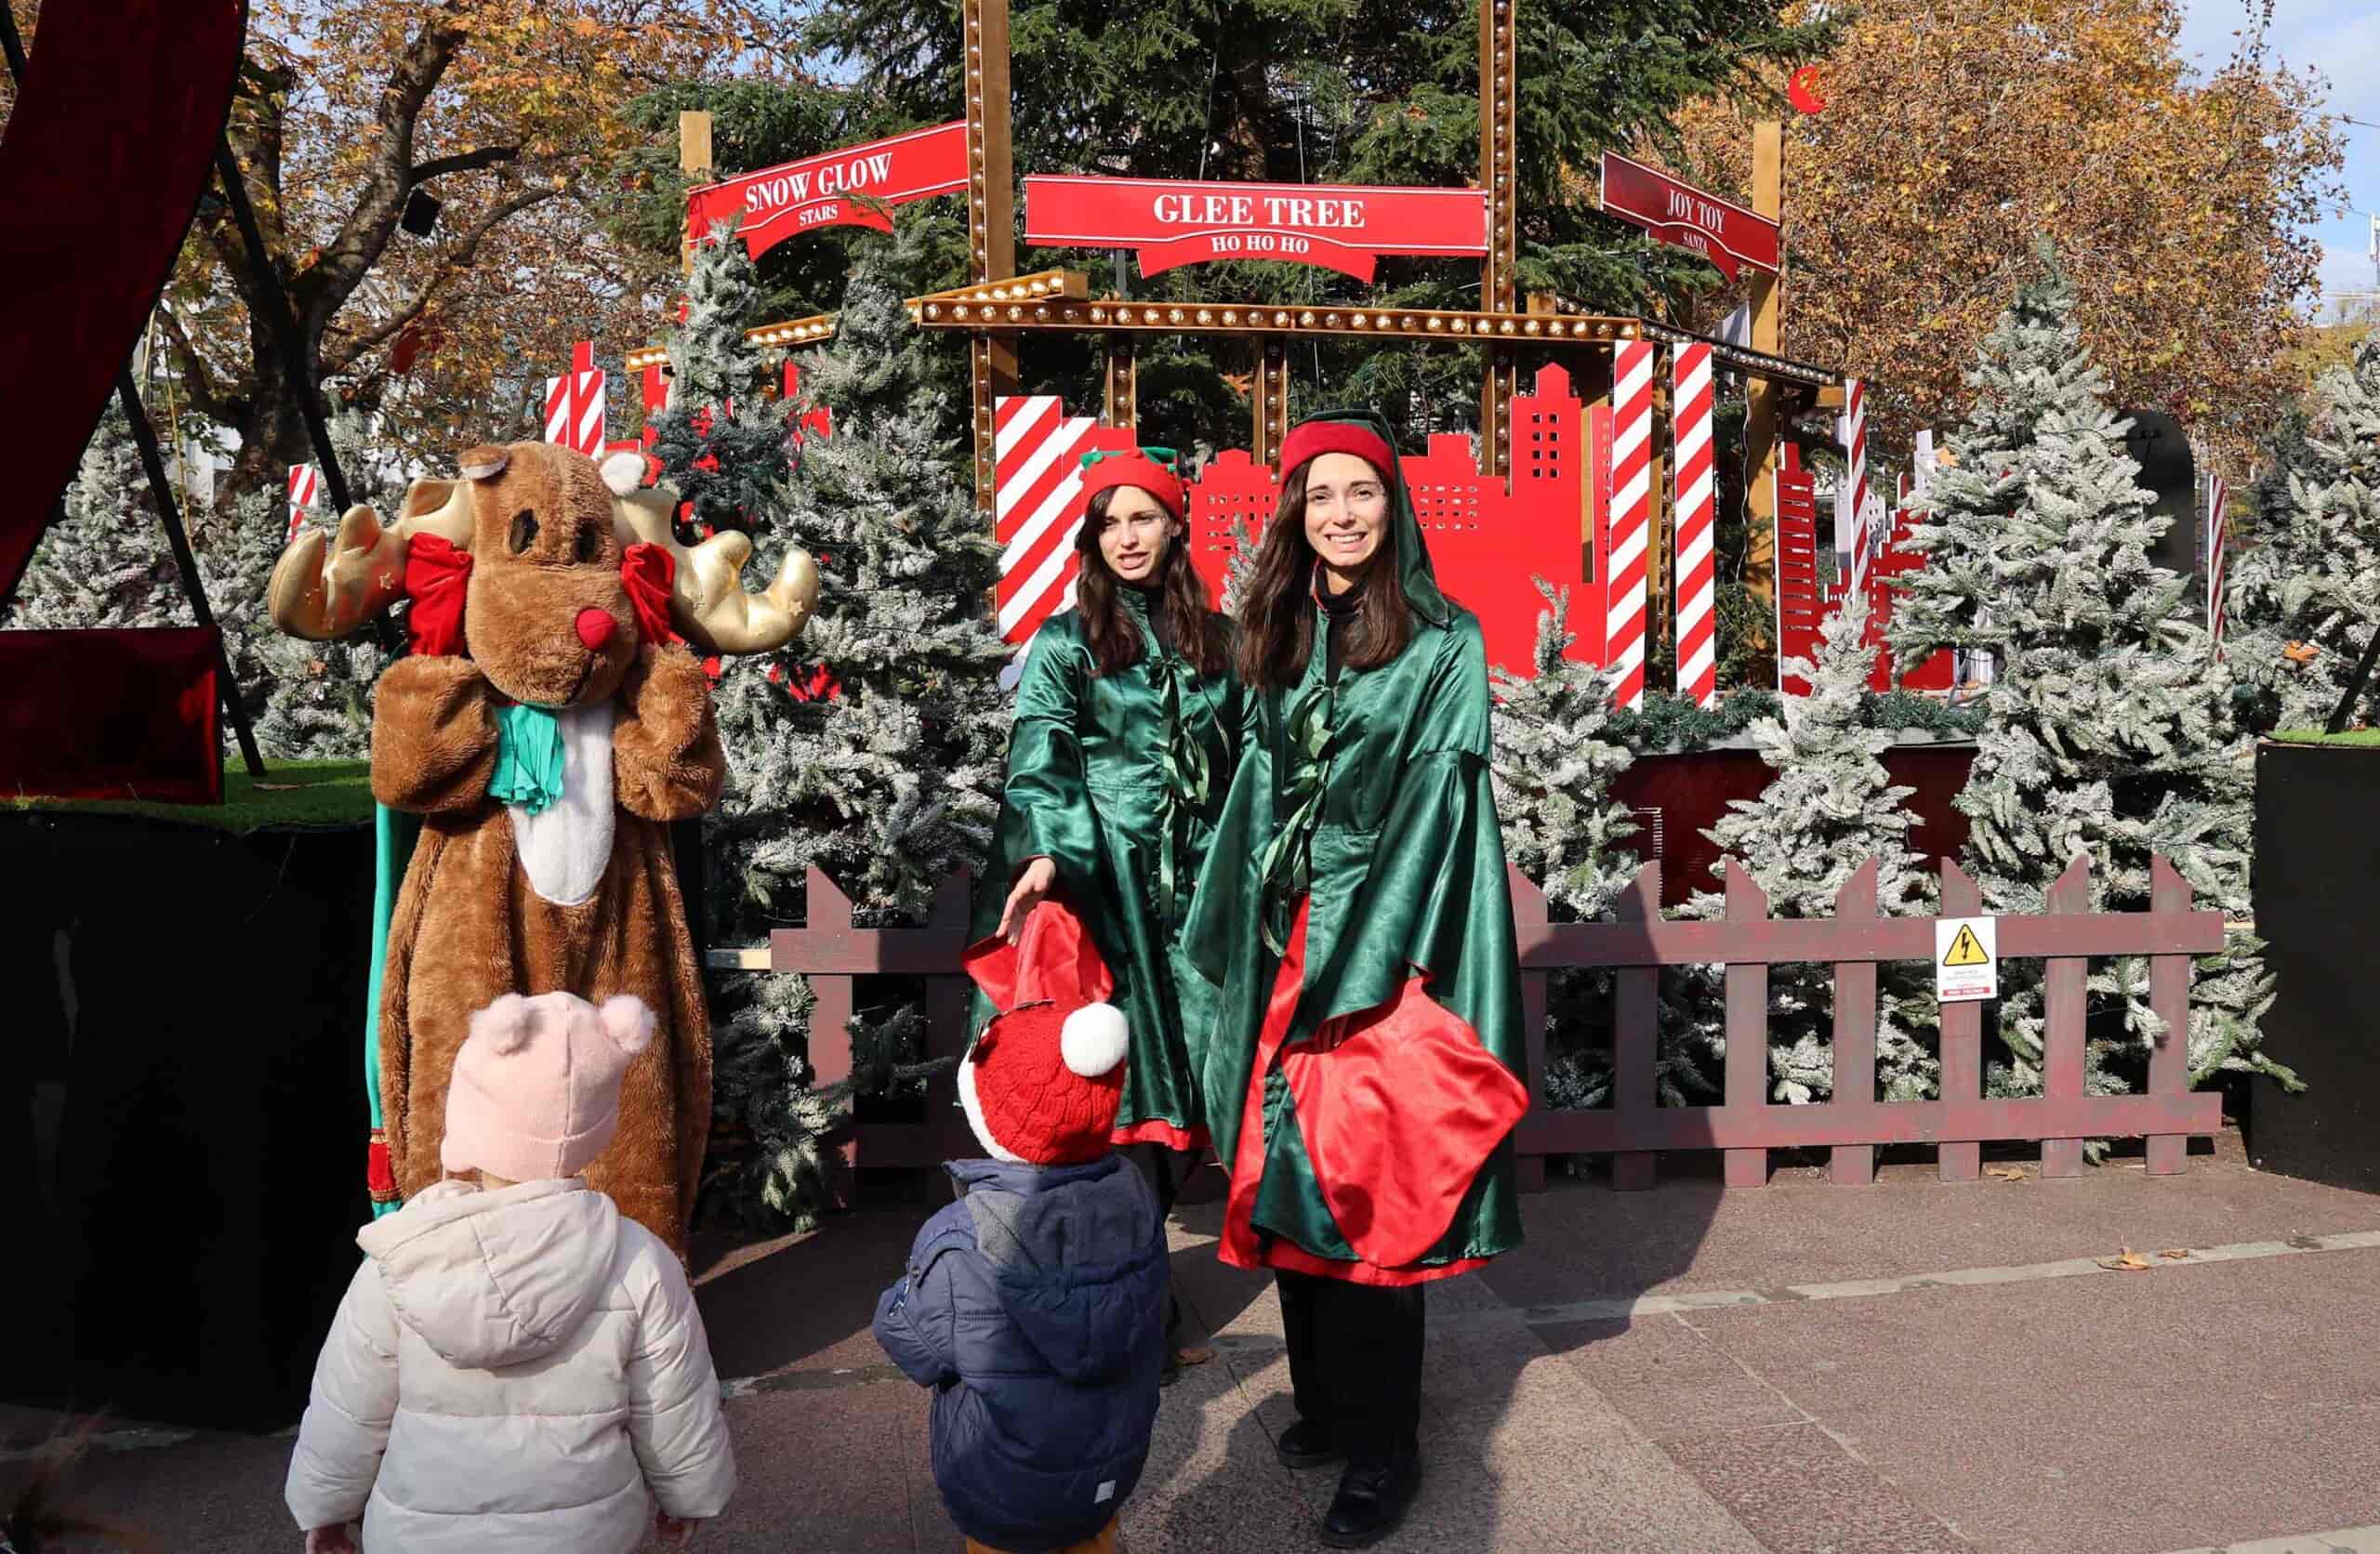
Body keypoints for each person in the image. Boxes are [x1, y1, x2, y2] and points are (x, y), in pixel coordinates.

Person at [1182, 408, 1531, 1548]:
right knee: (1280, 1173)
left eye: (1363, 492)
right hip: (1279, 937)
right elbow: (1242, 777)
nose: (1342, 514)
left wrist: (1363, 948)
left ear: (1394, 504)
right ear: (1296, 511)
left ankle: (1387, 1445)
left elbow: (1439, 803)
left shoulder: (1443, 639)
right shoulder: (1274, 629)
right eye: (1321, 494)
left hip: (1382, 946)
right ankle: (1327, 1404)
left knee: (1371, 1193)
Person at [969, 443, 1244, 1378]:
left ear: (1175, 526)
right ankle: (1130, 1322)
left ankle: (1134, 1306)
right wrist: (1047, 847)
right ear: (1091, 538)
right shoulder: (1064, 643)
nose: (1127, 537)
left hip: (1202, 892)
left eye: (1143, 517)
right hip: (1105, 885)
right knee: (1117, 1104)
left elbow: (1255, 757)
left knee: (1195, 1092)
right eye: (1110, 522)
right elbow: (1041, 746)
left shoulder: (1222, 641)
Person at [284, 992, 735, 1553]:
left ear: (468, 1120)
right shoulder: (640, 1260)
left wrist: (325, 1509)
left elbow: (349, 1407)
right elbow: (673, 1404)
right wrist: (690, 1496)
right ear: (598, 1128)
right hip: (585, 1537)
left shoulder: (402, 1257)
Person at [875, 899, 1170, 1554]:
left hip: (1000, 1484)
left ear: (992, 1118)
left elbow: (913, 1344)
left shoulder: (962, 1236)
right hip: (1109, 1473)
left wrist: (898, 1299)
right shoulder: (1136, 1200)